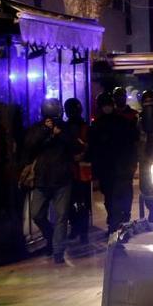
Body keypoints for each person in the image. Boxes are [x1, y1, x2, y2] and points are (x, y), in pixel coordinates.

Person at [24, 99, 74, 263]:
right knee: (37, 214)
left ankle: (58, 251)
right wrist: (46, 130)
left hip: (62, 179)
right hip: (42, 179)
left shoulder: (65, 128)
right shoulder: (38, 128)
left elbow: (76, 146)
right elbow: (30, 145)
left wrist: (60, 135)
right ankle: (50, 236)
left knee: (61, 216)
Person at [90, 92, 139, 236]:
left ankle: (115, 226)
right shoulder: (98, 125)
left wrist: (131, 165)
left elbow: (131, 144)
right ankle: (116, 222)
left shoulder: (122, 122)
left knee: (117, 198)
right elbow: (95, 149)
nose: (107, 108)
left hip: (120, 168)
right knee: (110, 198)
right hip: (108, 169)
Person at [64, 98, 90, 244]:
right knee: (76, 204)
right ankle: (79, 230)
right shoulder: (80, 126)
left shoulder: (83, 127)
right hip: (74, 170)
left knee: (80, 204)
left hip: (79, 170)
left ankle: (81, 231)